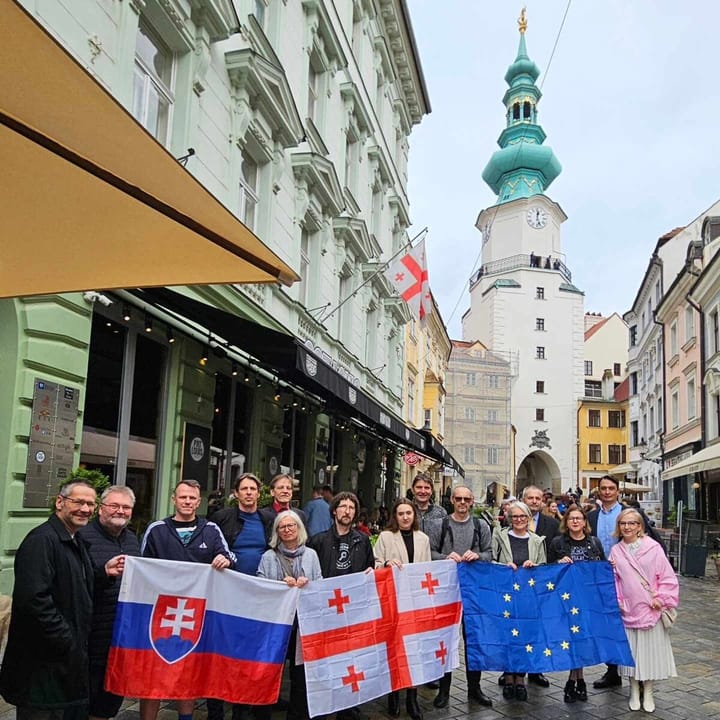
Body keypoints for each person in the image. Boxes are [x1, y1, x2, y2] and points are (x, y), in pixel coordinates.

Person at [0, 481, 125, 720]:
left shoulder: (74, 540)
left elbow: (73, 585)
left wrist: (102, 573)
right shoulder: (42, 540)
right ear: (60, 502)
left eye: (90, 503)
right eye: (78, 502)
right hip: (42, 668)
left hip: (64, 666)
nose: (85, 509)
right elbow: (34, 600)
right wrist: (68, 640)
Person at [140, 479, 235, 720]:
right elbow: (141, 566)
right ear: (174, 499)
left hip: (195, 613)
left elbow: (229, 555)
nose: (187, 502)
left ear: (199, 502)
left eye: (192, 498)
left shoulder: (210, 529)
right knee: (153, 673)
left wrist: (225, 560)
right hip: (160, 613)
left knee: (187, 671)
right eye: (182, 497)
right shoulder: (157, 529)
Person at [587, 474, 661, 690]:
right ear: (598, 491)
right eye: (603, 488)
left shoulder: (629, 514)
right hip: (602, 578)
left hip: (629, 578)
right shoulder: (591, 517)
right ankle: (613, 671)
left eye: (611, 488)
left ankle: (636, 671)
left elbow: (651, 540)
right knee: (608, 625)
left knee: (630, 625)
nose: (607, 491)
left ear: (617, 491)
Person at [308, 492, 374, 720]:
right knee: (325, 659)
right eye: (342, 506)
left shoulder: (362, 540)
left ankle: (348, 705)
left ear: (355, 513)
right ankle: (324, 702)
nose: (347, 511)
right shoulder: (317, 541)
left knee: (350, 658)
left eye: (351, 507)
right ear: (334, 511)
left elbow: (370, 568)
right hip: (325, 611)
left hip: (352, 611)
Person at [208, 473, 268, 720]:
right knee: (221, 652)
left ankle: (241, 709)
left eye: (253, 488)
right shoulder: (222, 518)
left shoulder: (267, 519)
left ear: (258, 492)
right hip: (227, 593)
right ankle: (215, 710)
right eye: (244, 488)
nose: (249, 493)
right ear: (236, 493)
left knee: (248, 653)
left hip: (258, 595)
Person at [427, 486, 493, 708]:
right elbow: (431, 553)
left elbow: (489, 553)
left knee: (473, 640)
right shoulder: (441, 525)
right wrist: (446, 557)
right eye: (458, 499)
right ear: (452, 500)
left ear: (472, 501)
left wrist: (478, 555)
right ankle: (444, 690)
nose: (462, 502)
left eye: (466, 499)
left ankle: (475, 688)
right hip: (447, 592)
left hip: (474, 592)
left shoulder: (481, 525)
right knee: (446, 640)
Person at [79, 485, 140, 720]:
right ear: (100, 509)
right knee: (83, 698)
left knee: (108, 701)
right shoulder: (83, 537)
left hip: (119, 636)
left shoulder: (133, 540)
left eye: (126, 507)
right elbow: (73, 584)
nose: (120, 511)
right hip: (90, 634)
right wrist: (103, 573)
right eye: (114, 505)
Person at [609, 508, 678, 713]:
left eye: (632, 523)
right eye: (623, 523)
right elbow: (614, 580)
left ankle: (648, 690)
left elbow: (667, 576)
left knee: (649, 652)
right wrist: (618, 600)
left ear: (640, 526)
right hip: (628, 609)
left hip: (651, 607)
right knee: (631, 653)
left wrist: (661, 598)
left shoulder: (653, 548)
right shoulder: (616, 551)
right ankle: (632, 689)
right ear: (619, 527)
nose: (627, 527)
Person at [258, 511, 322, 720]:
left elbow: (320, 582)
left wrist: (308, 584)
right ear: (277, 531)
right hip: (276, 625)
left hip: (302, 625)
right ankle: (263, 713)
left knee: (299, 675)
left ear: (299, 529)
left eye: (291, 526)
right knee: (269, 671)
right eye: (282, 527)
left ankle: (296, 715)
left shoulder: (311, 555)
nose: (287, 530)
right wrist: (279, 586)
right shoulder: (268, 557)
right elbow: (260, 585)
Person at [373, 499, 431, 720]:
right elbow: (375, 563)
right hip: (393, 602)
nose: (405, 517)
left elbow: (426, 569)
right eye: (401, 513)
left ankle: (412, 697)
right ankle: (393, 695)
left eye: (409, 513)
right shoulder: (386, 537)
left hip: (414, 603)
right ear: (395, 516)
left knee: (413, 650)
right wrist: (386, 565)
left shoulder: (423, 539)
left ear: (414, 515)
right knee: (394, 648)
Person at [547, 504, 605, 703]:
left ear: (584, 522)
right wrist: (557, 565)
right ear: (566, 522)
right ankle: (577, 680)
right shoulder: (557, 543)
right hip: (566, 600)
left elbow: (601, 570)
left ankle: (575, 681)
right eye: (571, 518)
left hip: (587, 600)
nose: (575, 521)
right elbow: (546, 570)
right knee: (571, 639)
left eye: (579, 518)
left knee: (582, 639)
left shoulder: (594, 543)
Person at [491, 500, 546, 702]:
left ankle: (520, 678)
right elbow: (491, 561)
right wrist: (503, 566)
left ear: (528, 518)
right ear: (509, 518)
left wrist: (535, 565)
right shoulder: (500, 536)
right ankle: (508, 677)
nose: (519, 520)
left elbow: (544, 567)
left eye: (523, 516)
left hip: (528, 597)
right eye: (515, 516)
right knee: (507, 636)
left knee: (525, 637)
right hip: (506, 595)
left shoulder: (537, 540)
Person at [518, 485, 558, 688]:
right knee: (518, 628)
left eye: (538, 498)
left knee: (539, 630)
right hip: (517, 587)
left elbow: (555, 550)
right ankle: (515, 669)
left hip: (542, 585)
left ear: (542, 501)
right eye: (530, 498)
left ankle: (536, 671)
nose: (534, 501)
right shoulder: (513, 521)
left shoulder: (551, 524)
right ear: (523, 499)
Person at [259, 474, 308, 543]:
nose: (285, 491)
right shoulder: (263, 515)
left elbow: (304, 540)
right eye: (281, 488)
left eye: (288, 488)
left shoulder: (300, 515)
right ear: (272, 492)